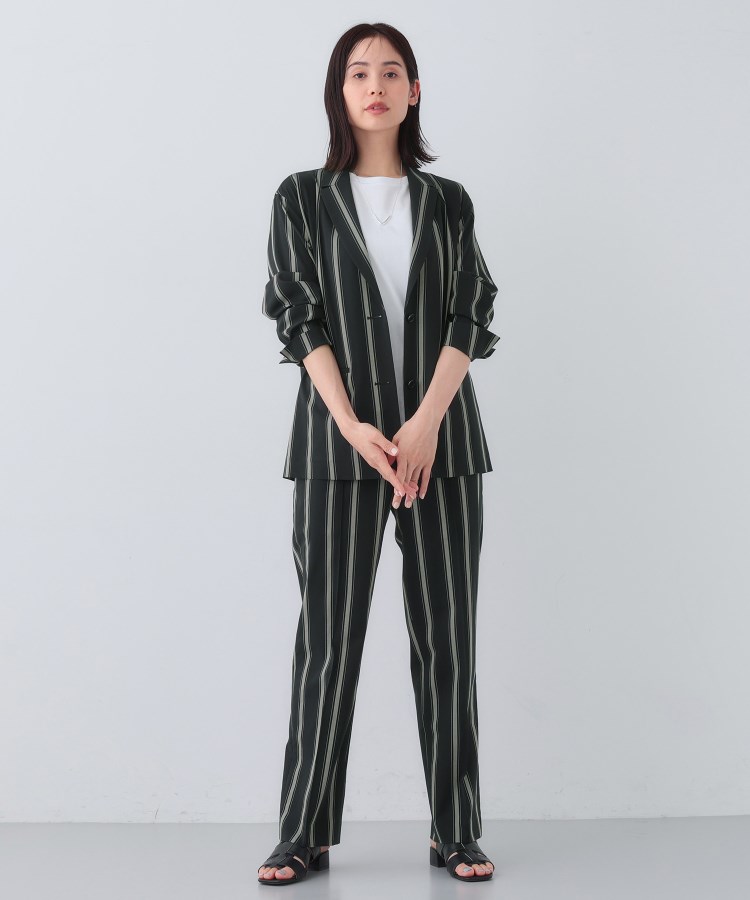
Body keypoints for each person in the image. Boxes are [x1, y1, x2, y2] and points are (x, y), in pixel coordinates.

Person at [258, 22, 500, 886]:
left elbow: (472, 311)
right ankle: (303, 832)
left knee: (447, 642)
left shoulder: (449, 202)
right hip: (338, 449)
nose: (375, 85)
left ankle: (455, 830)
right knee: (329, 642)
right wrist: (353, 424)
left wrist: (427, 420)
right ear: (339, 91)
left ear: (414, 91)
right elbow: (297, 316)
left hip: (442, 446)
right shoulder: (301, 198)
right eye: (359, 72)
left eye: (392, 72)